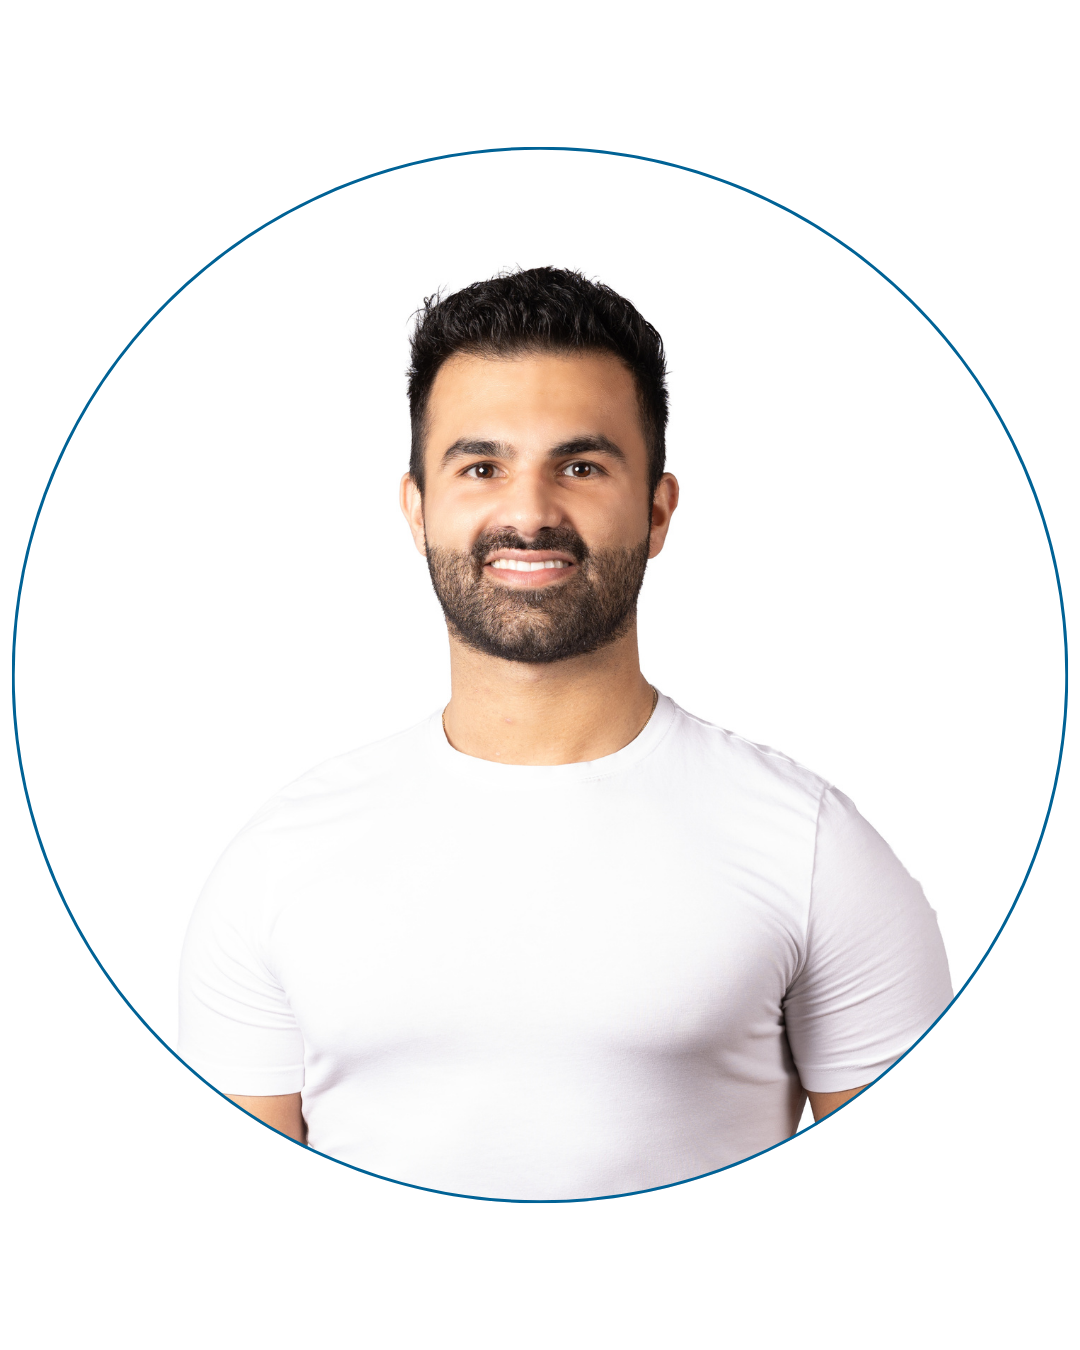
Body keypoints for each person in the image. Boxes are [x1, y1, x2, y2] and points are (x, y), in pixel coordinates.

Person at [179, 266, 952, 1200]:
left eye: (580, 466)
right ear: (417, 507)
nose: (529, 511)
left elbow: (914, 1214)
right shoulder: (280, 859)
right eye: (481, 467)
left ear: (658, 511)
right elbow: (236, 1238)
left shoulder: (814, 848)